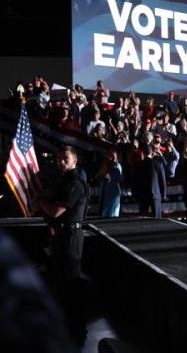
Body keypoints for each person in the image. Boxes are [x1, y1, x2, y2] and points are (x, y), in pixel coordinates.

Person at [34, 146, 89, 345]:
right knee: (62, 286)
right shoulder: (62, 182)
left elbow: (55, 211)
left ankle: (77, 333)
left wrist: (40, 200)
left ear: (75, 161)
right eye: (58, 159)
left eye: (65, 158)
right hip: (60, 236)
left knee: (71, 286)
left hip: (70, 238)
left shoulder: (74, 183)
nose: (61, 162)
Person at [133, 144, 166, 218]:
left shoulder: (138, 165)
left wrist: (135, 194)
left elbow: (135, 181)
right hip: (156, 194)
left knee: (142, 219)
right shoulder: (158, 164)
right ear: (152, 153)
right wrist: (163, 193)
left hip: (142, 195)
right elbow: (162, 180)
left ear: (143, 153)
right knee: (157, 219)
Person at [96, 148, 123, 217]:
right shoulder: (104, 165)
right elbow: (98, 176)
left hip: (113, 191)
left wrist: (107, 175)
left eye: (110, 155)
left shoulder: (117, 166)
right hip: (105, 190)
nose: (108, 157)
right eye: (108, 155)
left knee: (112, 212)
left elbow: (117, 178)